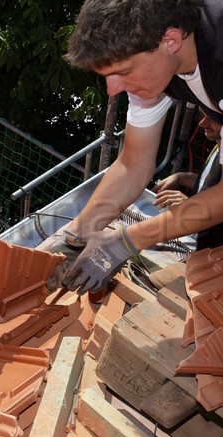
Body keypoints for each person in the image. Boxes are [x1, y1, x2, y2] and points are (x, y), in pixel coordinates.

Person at [48, 0, 223, 295]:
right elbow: (133, 164)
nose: (113, 89)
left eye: (124, 71)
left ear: (171, 40)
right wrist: (73, 236)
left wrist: (126, 241)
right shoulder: (158, 64)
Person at [152, 111, 222, 250]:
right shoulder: (217, 147)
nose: (202, 123)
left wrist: (192, 207)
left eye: (212, 118)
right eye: (203, 116)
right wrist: (182, 178)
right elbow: (210, 183)